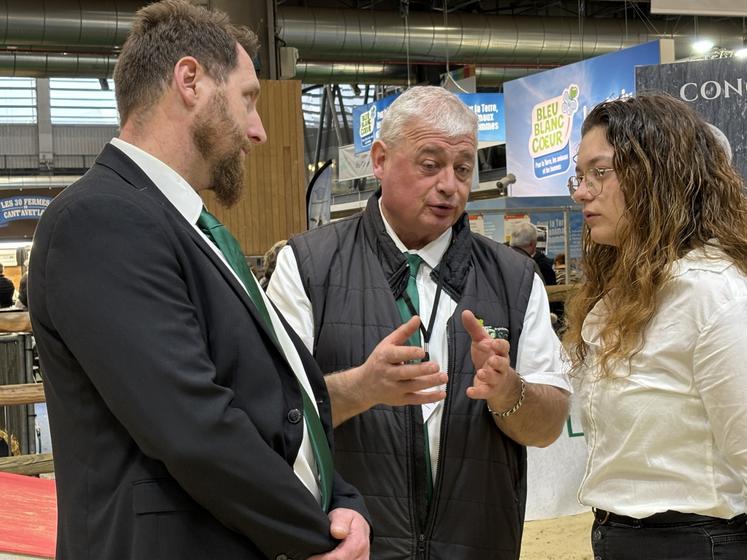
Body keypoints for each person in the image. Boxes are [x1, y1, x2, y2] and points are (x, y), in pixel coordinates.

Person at [27, 2, 369, 559]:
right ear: (190, 82)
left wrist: (345, 501)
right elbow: (194, 427)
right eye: (248, 99)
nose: (258, 131)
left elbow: (282, 395)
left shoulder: (189, 229)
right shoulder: (99, 220)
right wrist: (317, 536)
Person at [268, 86, 571, 559]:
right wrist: (363, 387)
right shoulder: (306, 266)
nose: (450, 185)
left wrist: (509, 391)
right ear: (381, 160)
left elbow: (549, 426)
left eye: (464, 168)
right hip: (351, 545)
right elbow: (270, 417)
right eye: (430, 165)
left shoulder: (514, 278)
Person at [565, 93, 747, 559]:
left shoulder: (714, 295)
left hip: (697, 541)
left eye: (600, 172)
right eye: (580, 176)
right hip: (620, 536)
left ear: (658, 173)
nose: (583, 191)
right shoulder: (625, 294)